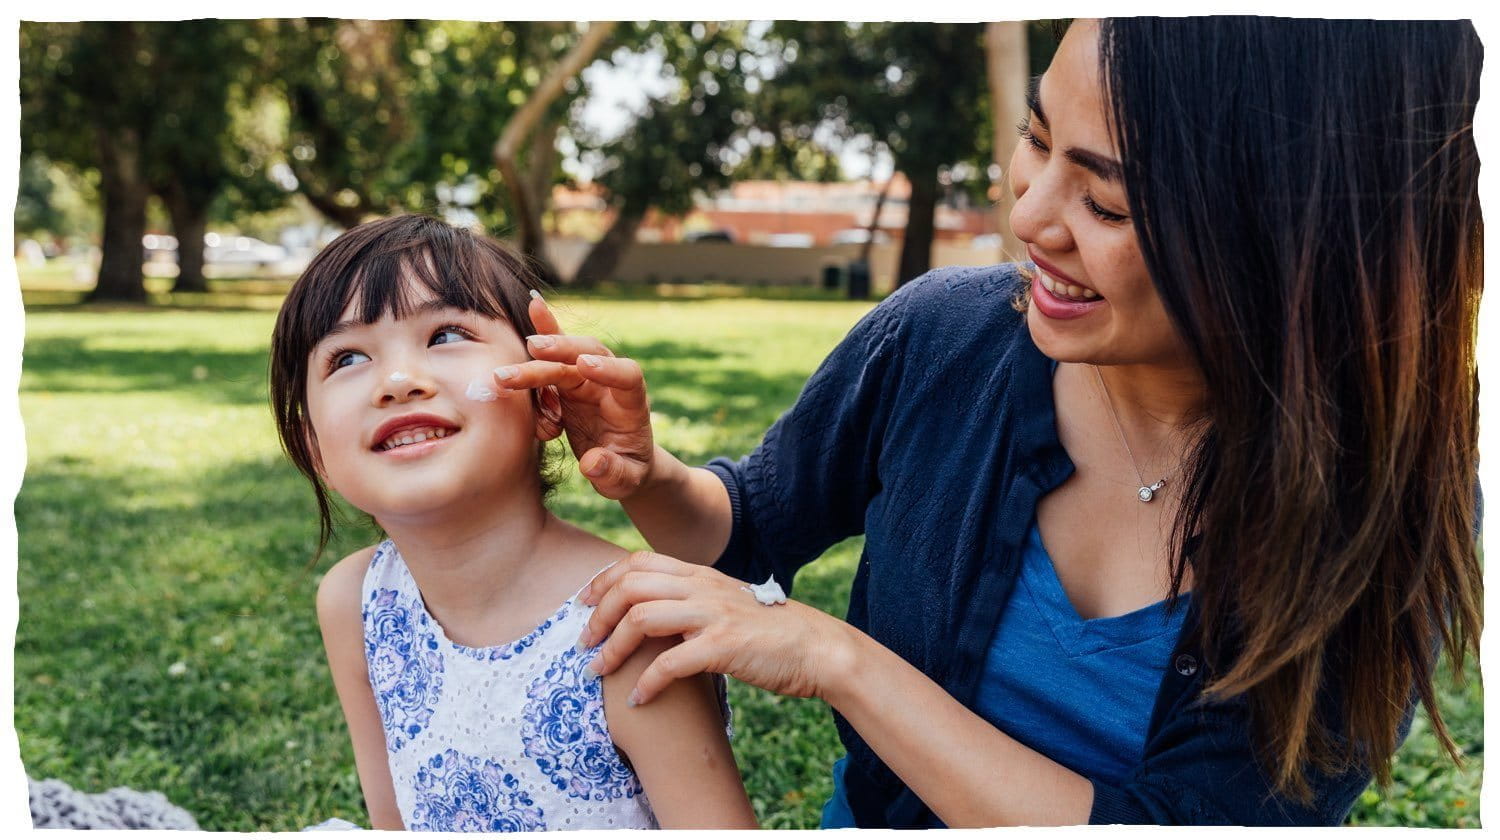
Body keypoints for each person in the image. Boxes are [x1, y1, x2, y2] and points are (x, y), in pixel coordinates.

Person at [496, 18, 1483, 827]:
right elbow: (749, 528)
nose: (1031, 216)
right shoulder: (942, 337)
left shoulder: (1383, 513)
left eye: (1105, 200)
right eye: (1038, 139)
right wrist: (648, 473)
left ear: (1284, 237)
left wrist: (840, 661)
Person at [268, 214, 757, 830]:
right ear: (316, 451)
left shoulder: (629, 622)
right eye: (346, 358)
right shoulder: (356, 602)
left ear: (546, 398)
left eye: (445, 335)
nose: (396, 382)